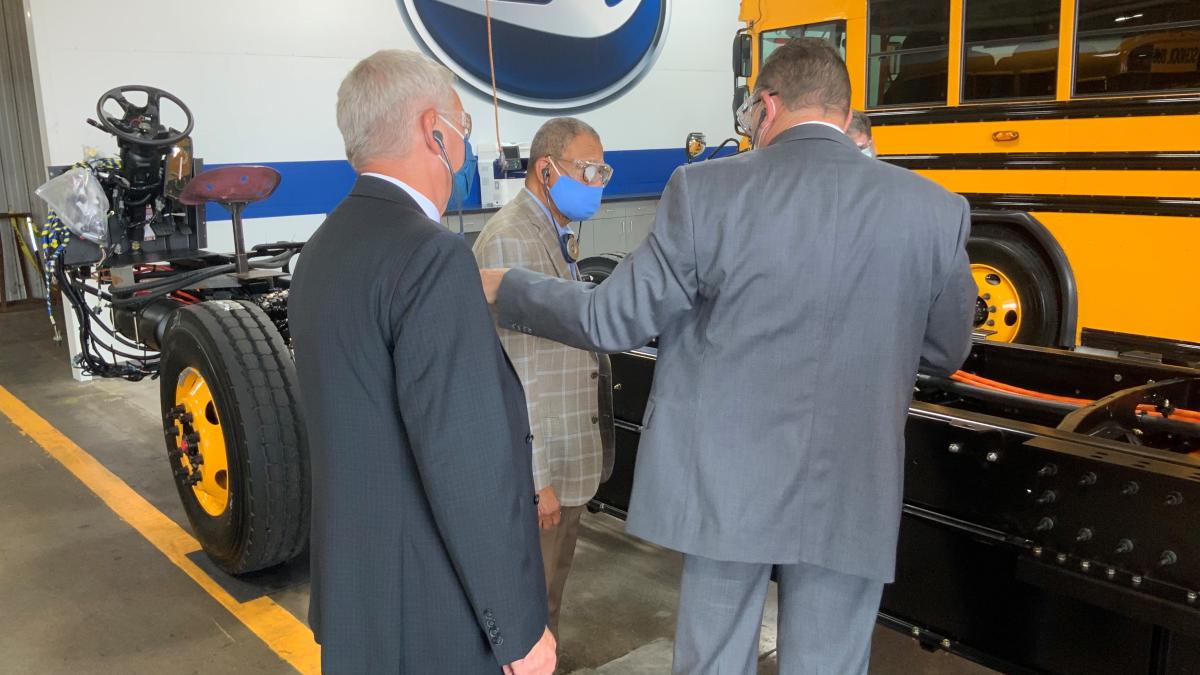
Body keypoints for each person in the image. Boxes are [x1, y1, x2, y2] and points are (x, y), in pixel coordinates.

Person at [481, 38, 975, 674]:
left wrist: (513, 287)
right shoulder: (934, 210)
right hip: (853, 487)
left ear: (766, 107)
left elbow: (612, 317)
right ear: (844, 110)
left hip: (728, 489)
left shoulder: (706, 191)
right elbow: (945, 348)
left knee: (713, 663)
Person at [288, 49, 555, 675]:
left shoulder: (323, 250)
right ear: (433, 130)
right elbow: (466, 463)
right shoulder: (431, 258)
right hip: (433, 619)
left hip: (357, 602)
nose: (464, 147)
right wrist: (517, 631)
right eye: (462, 127)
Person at [471, 117, 616, 638]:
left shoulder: (554, 233)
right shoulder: (510, 240)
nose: (598, 182)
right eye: (588, 170)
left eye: (603, 171)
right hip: (542, 473)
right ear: (546, 170)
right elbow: (512, 369)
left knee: (548, 602)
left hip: (566, 459)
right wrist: (536, 480)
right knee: (530, 615)